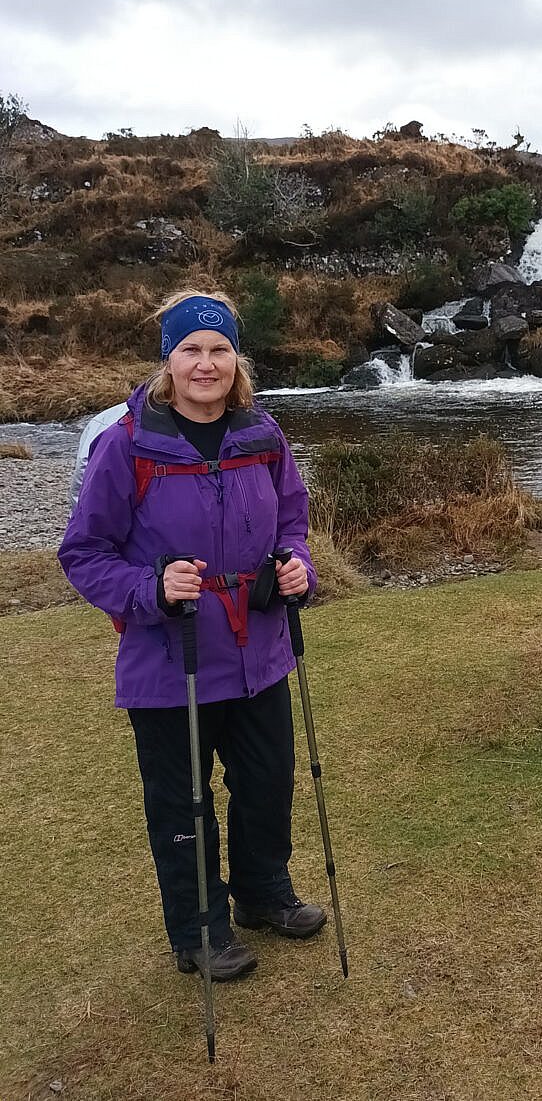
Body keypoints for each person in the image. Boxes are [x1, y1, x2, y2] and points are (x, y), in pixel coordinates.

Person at [59, 290, 327, 980]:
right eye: (190, 350)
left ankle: (263, 895)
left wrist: (298, 566)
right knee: (184, 802)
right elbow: (84, 552)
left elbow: (292, 520)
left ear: (236, 359)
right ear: (168, 360)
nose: (205, 363)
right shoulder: (128, 445)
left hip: (259, 653)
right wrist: (149, 590)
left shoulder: (263, 435)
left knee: (267, 783)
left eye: (218, 349)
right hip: (168, 658)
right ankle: (198, 929)